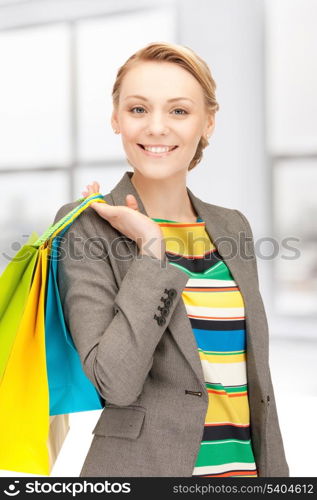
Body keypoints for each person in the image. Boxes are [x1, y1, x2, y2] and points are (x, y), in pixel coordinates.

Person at [53, 42, 289, 477]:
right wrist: (150, 249)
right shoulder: (85, 225)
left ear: (208, 123)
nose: (157, 127)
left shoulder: (232, 225)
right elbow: (115, 383)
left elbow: (253, 379)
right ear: (116, 119)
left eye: (179, 111)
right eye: (138, 109)